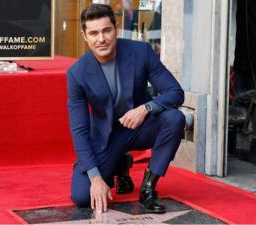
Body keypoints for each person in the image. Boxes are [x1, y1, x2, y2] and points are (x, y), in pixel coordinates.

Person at [67, 4, 185, 214]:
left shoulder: (140, 52)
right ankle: (121, 164)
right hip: (107, 137)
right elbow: (79, 130)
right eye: (93, 33)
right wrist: (95, 178)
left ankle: (148, 187)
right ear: (85, 36)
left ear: (116, 29)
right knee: (82, 196)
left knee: (174, 118)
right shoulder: (77, 74)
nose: (101, 39)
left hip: (140, 126)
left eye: (106, 30)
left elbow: (175, 92)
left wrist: (146, 108)